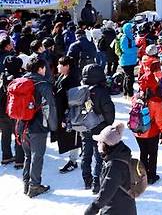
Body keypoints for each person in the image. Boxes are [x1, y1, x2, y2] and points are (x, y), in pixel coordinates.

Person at [20, 57, 57, 197]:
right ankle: (34, 186)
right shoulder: (43, 85)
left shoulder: (22, 81)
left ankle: (26, 184)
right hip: (38, 126)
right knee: (37, 156)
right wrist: (53, 126)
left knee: (27, 156)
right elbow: (50, 107)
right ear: (40, 69)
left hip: (22, 124)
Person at [84, 122, 137, 215]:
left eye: (100, 142)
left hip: (117, 210)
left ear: (107, 144)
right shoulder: (120, 156)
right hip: (123, 207)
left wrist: (93, 208)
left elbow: (107, 191)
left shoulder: (115, 165)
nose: (97, 144)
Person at [80, 64, 116, 194]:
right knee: (99, 155)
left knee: (86, 154)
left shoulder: (82, 89)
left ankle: (86, 179)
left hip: (84, 126)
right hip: (99, 128)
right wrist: (108, 124)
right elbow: (109, 111)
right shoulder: (101, 91)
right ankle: (97, 183)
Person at [133, 70, 162, 185]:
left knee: (143, 152)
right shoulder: (156, 100)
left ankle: (143, 175)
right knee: (152, 154)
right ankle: (152, 176)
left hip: (138, 131)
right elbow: (160, 120)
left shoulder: (136, 97)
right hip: (151, 132)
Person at [53, 56, 82, 174]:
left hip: (69, 113)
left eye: (60, 64)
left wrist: (67, 115)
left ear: (67, 66)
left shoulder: (72, 80)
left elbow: (73, 100)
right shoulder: (62, 76)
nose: (58, 66)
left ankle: (73, 161)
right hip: (62, 112)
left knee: (72, 135)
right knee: (69, 135)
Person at [118, 22, 138, 97]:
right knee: (130, 78)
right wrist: (136, 49)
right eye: (131, 28)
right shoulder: (124, 37)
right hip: (126, 61)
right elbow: (125, 49)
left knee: (128, 77)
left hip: (130, 60)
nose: (132, 30)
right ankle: (129, 94)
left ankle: (126, 92)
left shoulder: (130, 37)